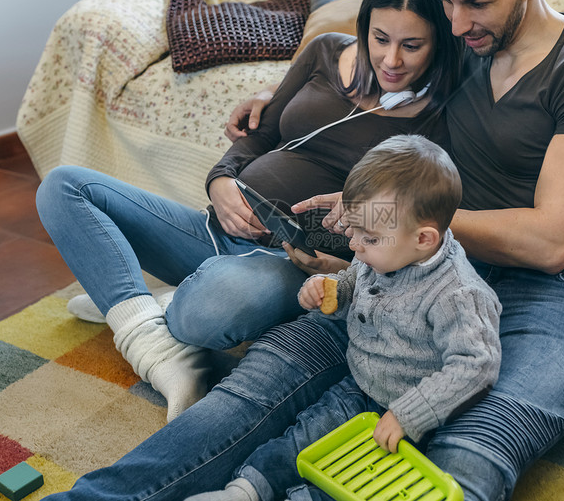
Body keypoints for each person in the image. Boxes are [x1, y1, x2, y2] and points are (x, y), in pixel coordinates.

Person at [41, 0, 564, 500]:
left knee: (469, 450)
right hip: (413, 264)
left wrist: (387, 222)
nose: (459, 22)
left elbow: (551, 242)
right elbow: (372, 41)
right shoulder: (463, 50)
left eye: (478, 4)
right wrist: (269, 102)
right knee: (257, 388)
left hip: (553, 295)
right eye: (448, 1)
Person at [34, 0, 461, 423]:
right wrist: (219, 181)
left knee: (206, 311)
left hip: (292, 263)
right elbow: (259, 136)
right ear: (364, 29)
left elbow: (421, 223)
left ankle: (137, 305)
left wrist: (349, 261)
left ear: (439, 42)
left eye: (412, 45)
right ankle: (155, 341)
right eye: (380, 39)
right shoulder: (324, 53)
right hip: (216, 228)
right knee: (64, 187)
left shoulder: (443, 116)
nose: (391, 60)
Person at [187, 135, 501, 501]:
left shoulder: (459, 295)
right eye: (354, 232)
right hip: (360, 385)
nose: (354, 246)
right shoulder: (383, 251)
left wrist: (408, 415)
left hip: (415, 412)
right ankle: (244, 491)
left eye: (367, 238)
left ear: (424, 239)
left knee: (362, 480)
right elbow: (354, 278)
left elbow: (477, 364)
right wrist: (329, 287)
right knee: (302, 439)